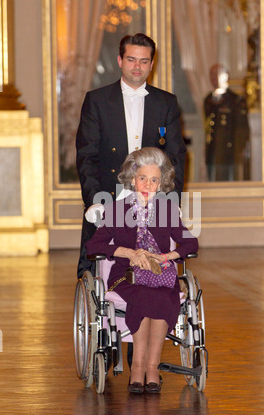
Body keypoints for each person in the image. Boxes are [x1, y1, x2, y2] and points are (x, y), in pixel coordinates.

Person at [85, 148, 198, 393]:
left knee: (163, 296)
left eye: (154, 179)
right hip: (126, 277)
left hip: (160, 276)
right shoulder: (117, 210)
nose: (148, 184)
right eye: (143, 178)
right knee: (145, 295)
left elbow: (191, 243)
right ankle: (137, 367)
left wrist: (166, 256)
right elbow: (94, 245)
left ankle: (152, 367)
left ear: (162, 183)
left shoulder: (167, 211)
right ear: (133, 179)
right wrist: (129, 253)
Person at [76, 33, 187, 280]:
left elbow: (176, 156)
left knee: (153, 267)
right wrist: (95, 199)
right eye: (131, 59)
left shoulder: (166, 102)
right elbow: (87, 156)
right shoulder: (97, 101)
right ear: (120, 60)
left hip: (151, 198)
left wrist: (172, 199)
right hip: (109, 196)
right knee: (106, 267)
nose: (137, 66)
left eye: (144, 61)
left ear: (151, 64)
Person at [204, 63, 250, 181]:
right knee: (213, 179)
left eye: (217, 74)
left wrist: (238, 150)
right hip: (213, 148)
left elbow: (241, 129)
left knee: (230, 179)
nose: (214, 78)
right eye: (212, 75)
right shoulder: (208, 100)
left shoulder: (235, 100)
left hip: (229, 149)